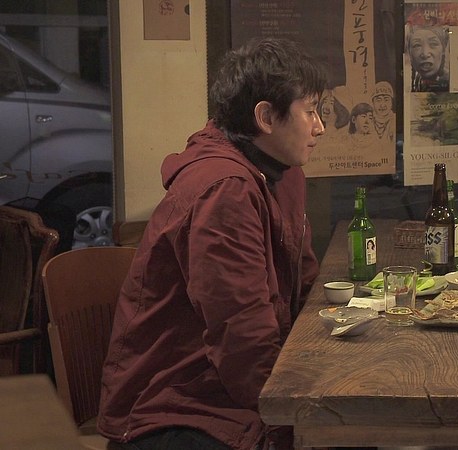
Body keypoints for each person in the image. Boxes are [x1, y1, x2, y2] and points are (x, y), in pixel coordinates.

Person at [97, 37, 326, 450]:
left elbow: (303, 282)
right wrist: (293, 415)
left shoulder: (281, 173)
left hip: (222, 388)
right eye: (310, 111)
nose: (319, 126)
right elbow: (242, 336)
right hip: (176, 407)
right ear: (266, 117)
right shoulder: (224, 190)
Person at [407, 24, 449, 92]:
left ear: (443, 50)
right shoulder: (412, 82)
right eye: (417, 45)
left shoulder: (450, 82)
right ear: (409, 52)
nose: (425, 54)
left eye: (433, 44)